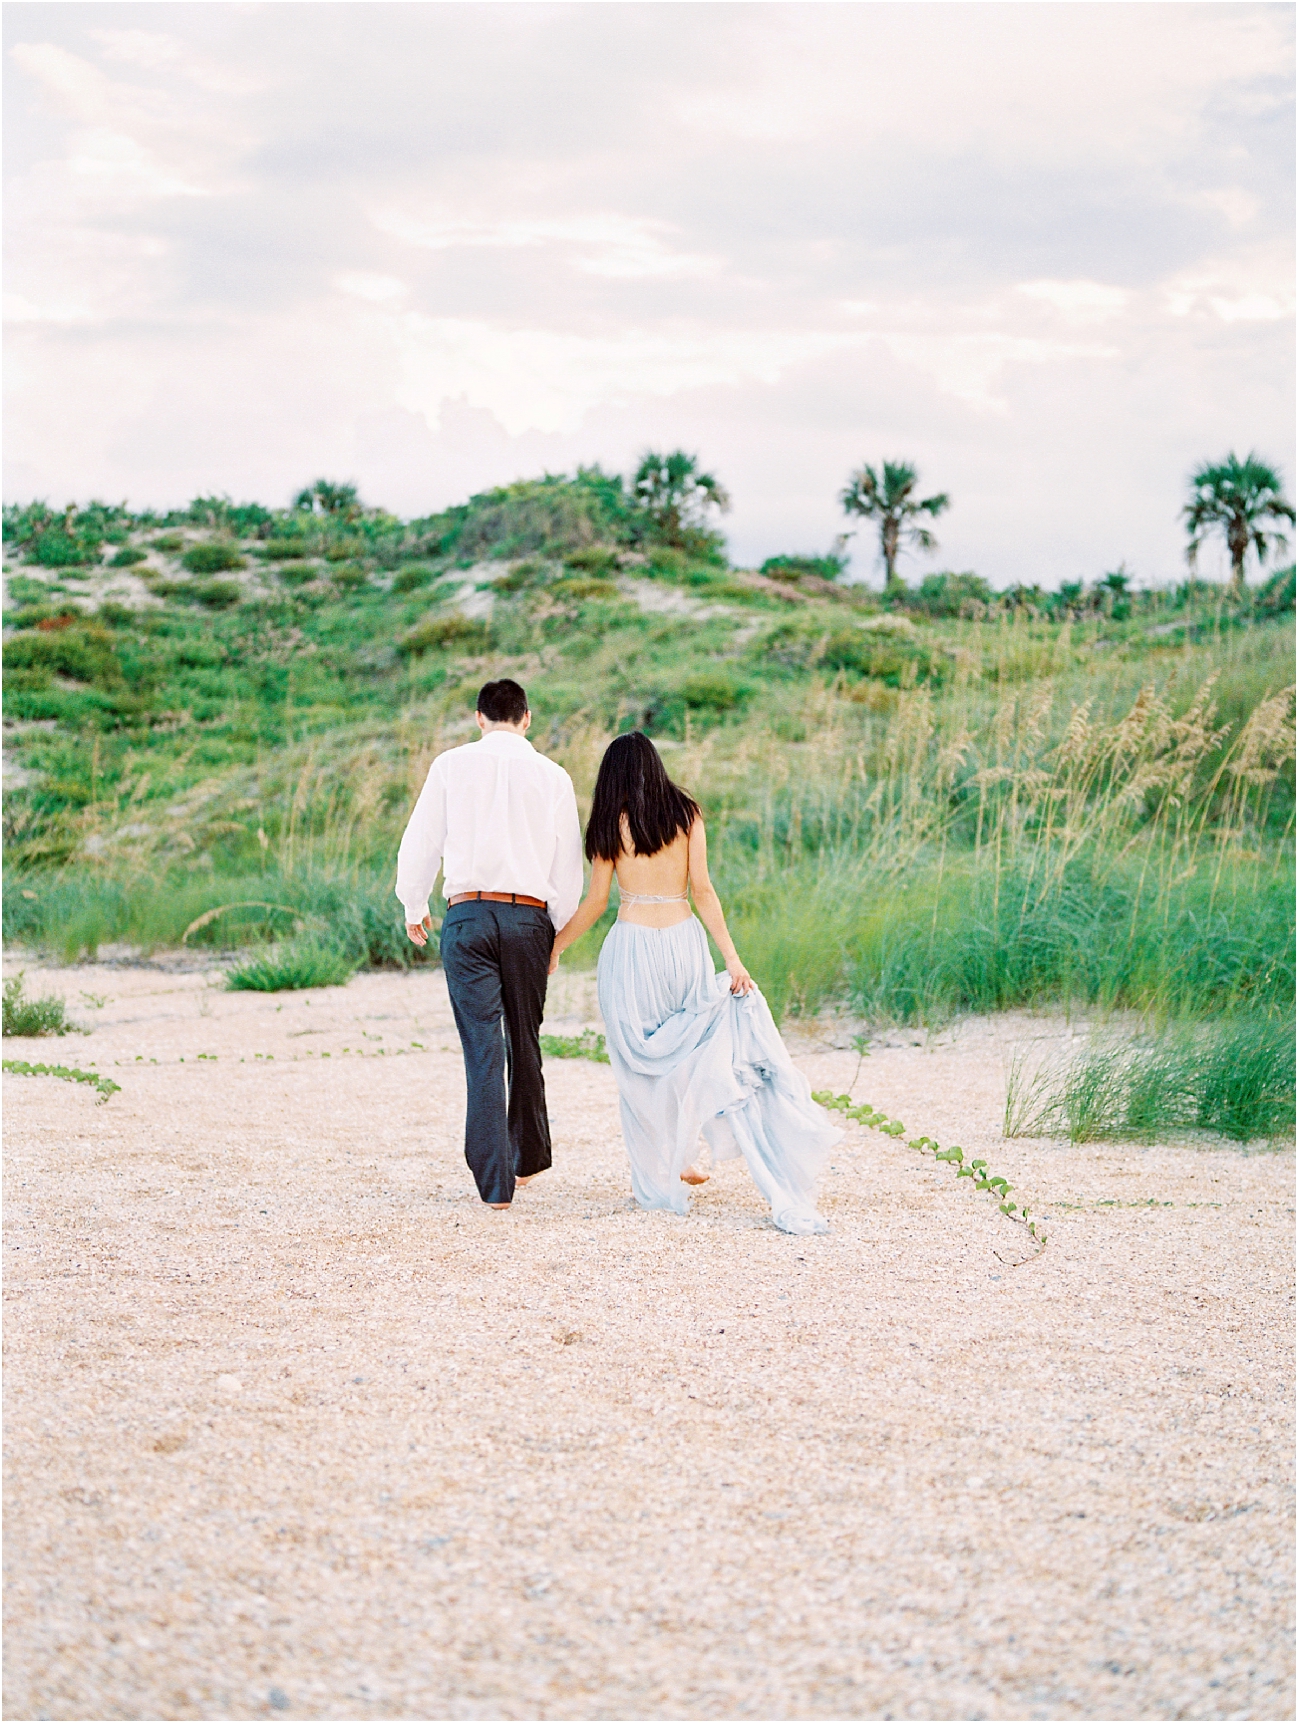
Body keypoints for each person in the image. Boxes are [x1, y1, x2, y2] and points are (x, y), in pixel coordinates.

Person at [549, 731, 838, 1235]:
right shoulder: (687, 814)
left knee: (640, 1066)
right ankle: (688, 1153)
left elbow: (596, 903)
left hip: (633, 947)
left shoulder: (607, 824)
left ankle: (665, 1173)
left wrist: (555, 947)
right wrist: (733, 959)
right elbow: (703, 891)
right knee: (690, 1053)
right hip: (683, 943)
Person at [396, 679, 583, 1210]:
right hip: (528, 919)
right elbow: (567, 860)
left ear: (479, 718)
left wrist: (415, 903)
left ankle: (495, 1186)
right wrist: (556, 930)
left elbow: (422, 839)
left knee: (483, 1048)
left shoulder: (450, 766)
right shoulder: (553, 776)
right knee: (524, 1040)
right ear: (527, 718)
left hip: (468, 914)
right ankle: (525, 1162)